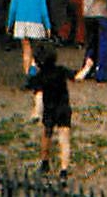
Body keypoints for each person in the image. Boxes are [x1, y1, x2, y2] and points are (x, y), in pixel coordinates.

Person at [28, 41, 74, 180]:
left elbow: (35, 90)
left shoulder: (39, 77)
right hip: (63, 108)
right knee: (64, 139)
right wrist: (87, 68)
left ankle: (45, 162)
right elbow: (75, 76)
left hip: (49, 109)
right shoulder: (60, 71)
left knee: (46, 134)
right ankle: (64, 170)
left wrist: (32, 67)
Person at [5, 0, 52, 81]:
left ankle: (26, 76)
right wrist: (47, 26)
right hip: (36, 23)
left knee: (26, 50)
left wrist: (9, 24)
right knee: (36, 51)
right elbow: (43, 10)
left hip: (21, 23)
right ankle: (33, 69)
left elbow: (13, 8)